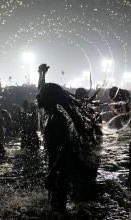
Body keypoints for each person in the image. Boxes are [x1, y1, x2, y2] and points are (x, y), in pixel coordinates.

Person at [37, 83, 101, 213]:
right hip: (56, 168)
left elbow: (65, 148)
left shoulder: (57, 119)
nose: (37, 96)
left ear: (50, 98)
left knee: (57, 209)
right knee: (53, 207)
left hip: (59, 170)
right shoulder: (51, 116)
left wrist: (53, 172)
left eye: (41, 94)